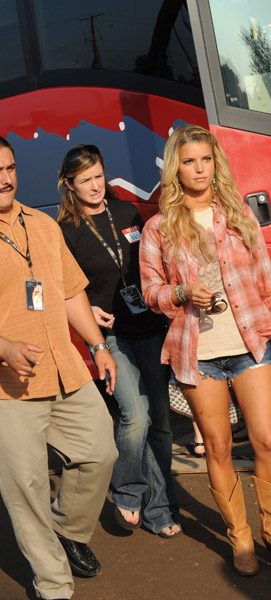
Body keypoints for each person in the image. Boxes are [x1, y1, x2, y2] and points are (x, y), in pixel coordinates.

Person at [139, 124, 271, 576]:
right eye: (189, 160)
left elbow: (266, 285)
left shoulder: (239, 216)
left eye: (206, 159)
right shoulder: (158, 228)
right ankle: (240, 537)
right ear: (177, 167)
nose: (199, 169)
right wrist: (181, 294)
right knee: (216, 448)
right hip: (197, 350)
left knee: (267, 441)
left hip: (250, 343)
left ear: (216, 164)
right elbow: (151, 291)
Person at [0, 136, 118, 600]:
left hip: (64, 367)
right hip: (8, 386)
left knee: (99, 451)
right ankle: (53, 584)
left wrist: (98, 345)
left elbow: (70, 291)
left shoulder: (43, 224)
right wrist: (4, 347)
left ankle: (67, 531)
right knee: (26, 488)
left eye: (8, 167)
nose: (4, 179)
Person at [56, 144, 181, 538]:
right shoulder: (65, 232)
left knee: (160, 425)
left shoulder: (127, 212)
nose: (95, 186)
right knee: (136, 416)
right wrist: (89, 309)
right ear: (69, 185)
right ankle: (127, 490)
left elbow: (154, 263)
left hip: (151, 328)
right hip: (113, 337)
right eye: (85, 180)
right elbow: (63, 289)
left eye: (98, 176)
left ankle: (159, 511)